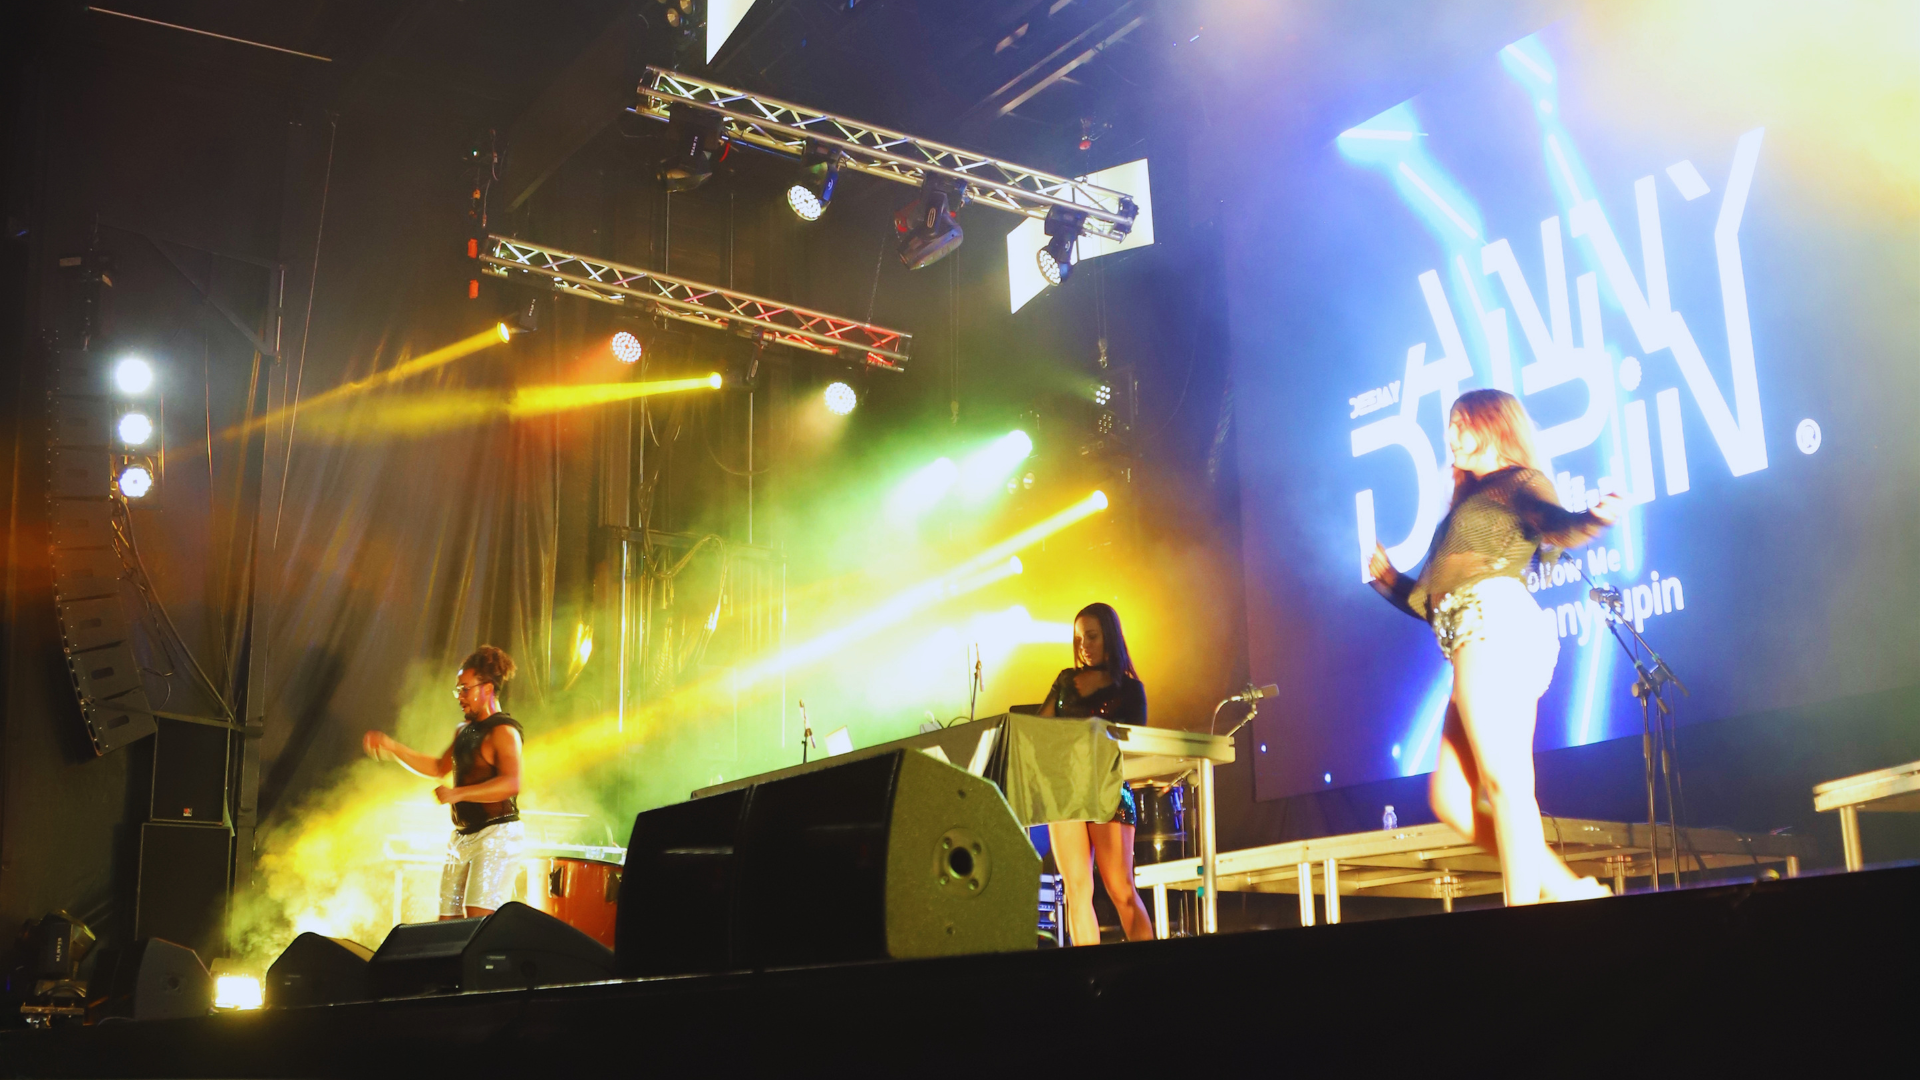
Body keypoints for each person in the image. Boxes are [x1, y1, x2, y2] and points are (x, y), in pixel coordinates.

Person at [1369, 389, 1619, 905]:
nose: (1451, 435)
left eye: (1462, 423)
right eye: (1450, 424)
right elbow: (1432, 603)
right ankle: (1570, 892)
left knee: (1506, 784)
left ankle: (1523, 914)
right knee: (1452, 800)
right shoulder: (1469, 501)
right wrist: (1389, 581)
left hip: (1494, 624)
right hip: (1471, 634)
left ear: (1494, 425)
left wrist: (1591, 520)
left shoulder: (1518, 482)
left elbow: (1555, 522)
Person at [363, 645, 526, 920]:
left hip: (497, 836)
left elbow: (511, 783)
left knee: (477, 920)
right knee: (448, 921)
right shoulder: (464, 731)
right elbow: (439, 767)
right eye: (458, 690)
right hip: (462, 837)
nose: (460, 696)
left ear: (487, 689)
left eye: (465, 689)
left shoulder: (504, 731)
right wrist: (392, 747)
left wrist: (458, 793)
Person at [1039, 602, 1156, 944]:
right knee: (1076, 891)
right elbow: (1039, 729)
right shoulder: (1066, 680)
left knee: (1120, 888)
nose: (1084, 646)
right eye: (1079, 639)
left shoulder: (1130, 689)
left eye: (1091, 636)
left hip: (1108, 788)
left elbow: (1135, 744)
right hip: (1065, 791)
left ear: (1109, 636)